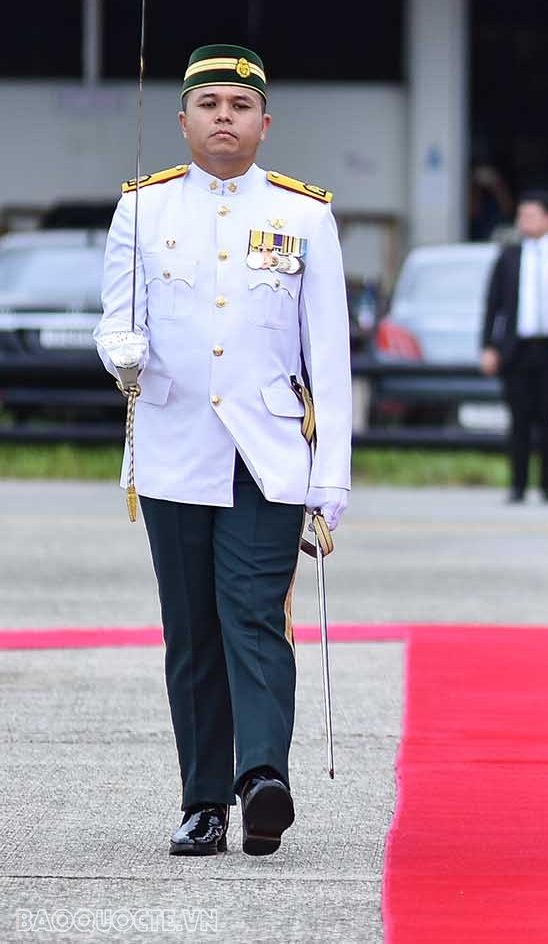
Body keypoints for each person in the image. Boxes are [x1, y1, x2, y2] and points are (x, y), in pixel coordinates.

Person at [94, 44, 353, 858]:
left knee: (252, 615)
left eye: (239, 107)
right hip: (173, 447)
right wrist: (122, 352)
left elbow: (331, 360)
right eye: (208, 104)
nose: (223, 118)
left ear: (265, 123)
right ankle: (202, 799)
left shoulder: (305, 215)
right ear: (182, 120)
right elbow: (113, 321)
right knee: (193, 631)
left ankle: (261, 778)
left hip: (267, 452)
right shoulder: (142, 208)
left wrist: (330, 476)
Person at [480, 191, 548, 504]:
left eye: (531, 216)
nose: (524, 222)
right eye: (521, 216)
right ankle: (517, 485)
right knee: (518, 420)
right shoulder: (508, 256)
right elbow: (492, 305)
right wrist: (488, 346)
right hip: (516, 350)